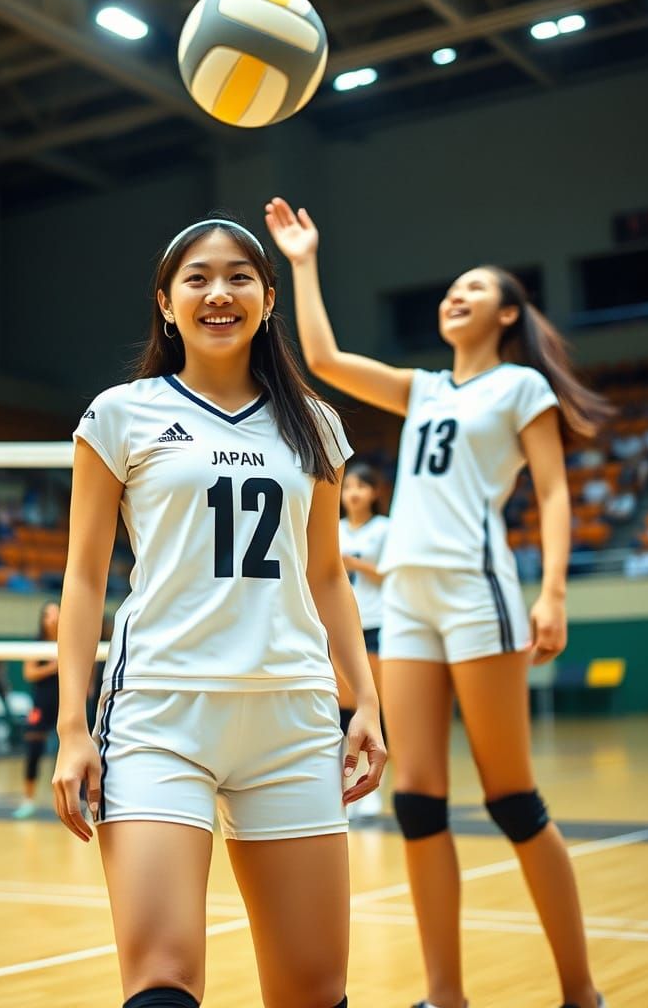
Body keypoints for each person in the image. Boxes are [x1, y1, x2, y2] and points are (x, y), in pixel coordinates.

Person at [265, 196, 610, 1008]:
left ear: (509, 312)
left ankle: (581, 993)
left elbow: (555, 495)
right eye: (451, 287)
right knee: (418, 801)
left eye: (476, 288)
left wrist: (553, 592)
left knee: (512, 799)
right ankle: (444, 995)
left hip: (476, 591)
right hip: (409, 603)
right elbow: (322, 356)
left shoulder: (521, 386)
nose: (456, 294)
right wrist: (305, 261)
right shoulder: (422, 388)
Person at [51, 216, 386, 1008]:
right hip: (161, 715)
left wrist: (365, 698)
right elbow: (82, 580)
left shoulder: (315, 425)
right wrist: (71, 728)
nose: (218, 292)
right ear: (166, 304)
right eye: (196, 277)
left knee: (313, 989)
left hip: (292, 717)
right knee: (162, 982)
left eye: (239, 276)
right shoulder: (119, 415)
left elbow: (328, 577)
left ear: (268, 300)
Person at [338, 461, 388, 819]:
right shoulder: (333, 528)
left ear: (374, 492)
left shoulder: (384, 529)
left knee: (372, 708)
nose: (353, 492)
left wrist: (354, 565)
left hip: (376, 622)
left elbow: (392, 574)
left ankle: (374, 788)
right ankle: (348, 784)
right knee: (342, 710)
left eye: (361, 486)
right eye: (348, 486)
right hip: (342, 626)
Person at [13, 600, 60, 820]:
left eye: (56, 613)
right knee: (33, 750)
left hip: (65, 703)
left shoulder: (70, 640)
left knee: (66, 754)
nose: (53, 618)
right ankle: (28, 799)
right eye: (48, 615)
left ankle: (70, 802)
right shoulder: (37, 644)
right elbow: (29, 673)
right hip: (41, 703)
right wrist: (54, 666)